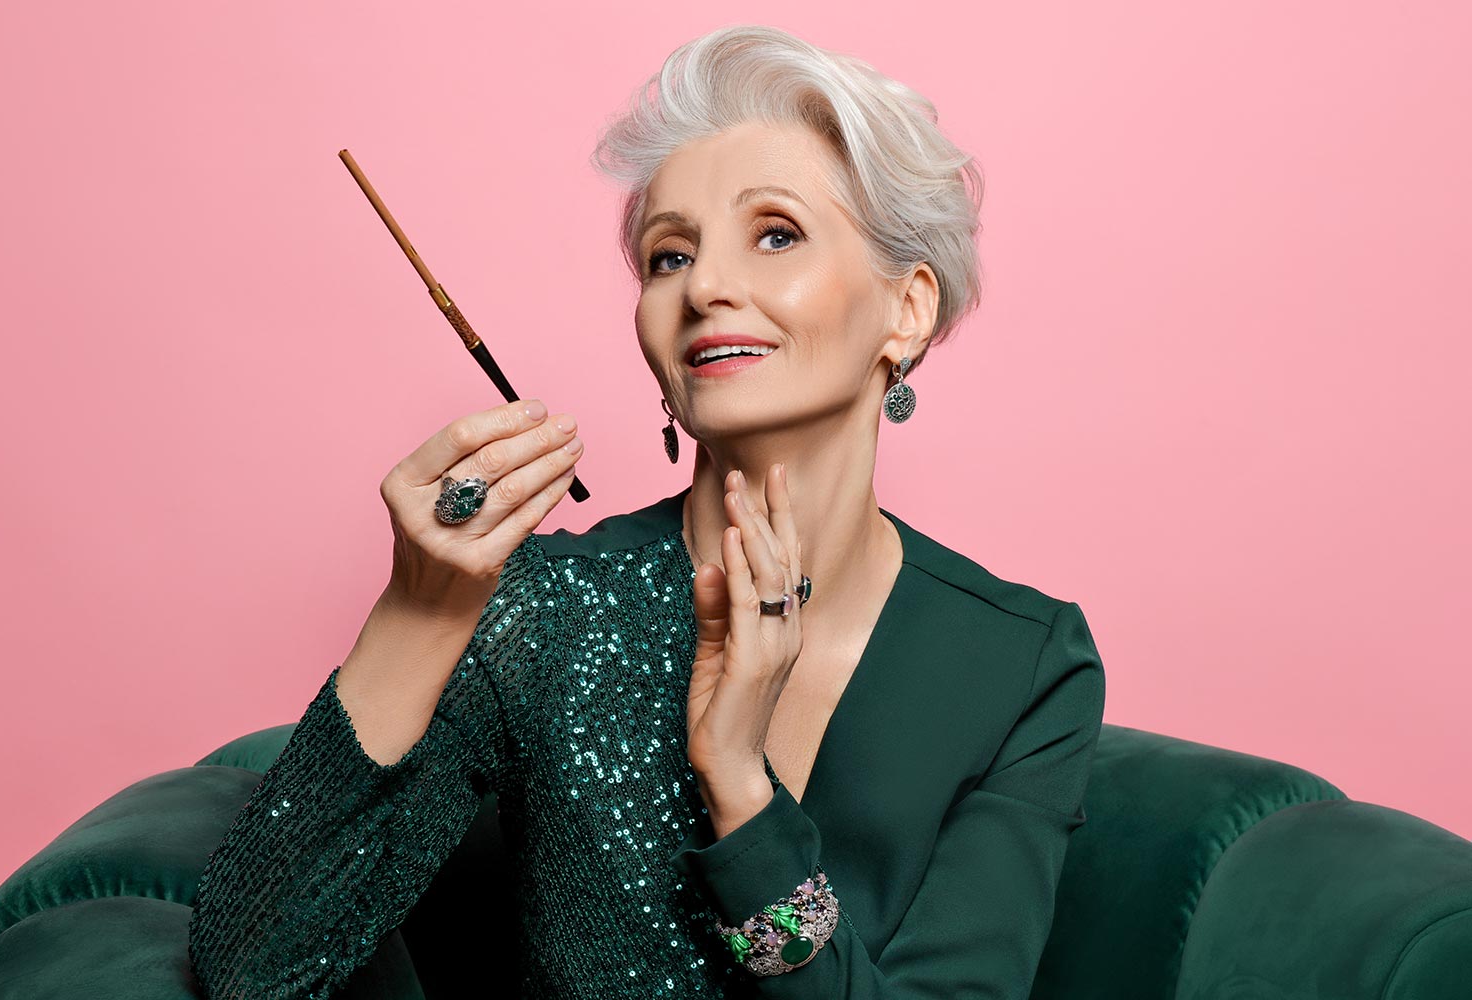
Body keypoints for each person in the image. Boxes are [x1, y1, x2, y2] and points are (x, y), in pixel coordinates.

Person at [187, 22, 1106, 999]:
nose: (705, 286)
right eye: (670, 256)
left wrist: (739, 791)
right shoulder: (548, 611)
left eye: (776, 234)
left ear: (907, 308)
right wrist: (422, 609)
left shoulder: (1024, 661)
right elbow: (255, 968)